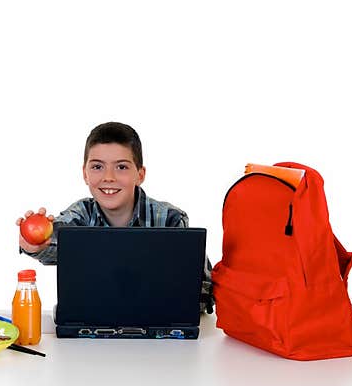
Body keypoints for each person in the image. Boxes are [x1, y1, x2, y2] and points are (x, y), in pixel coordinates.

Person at [17, 121, 213, 313]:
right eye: (97, 167)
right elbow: (58, 243)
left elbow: (202, 288)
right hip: (95, 322)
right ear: (85, 174)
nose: (108, 177)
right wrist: (35, 245)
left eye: (121, 167)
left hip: (155, 322)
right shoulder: (80, 215)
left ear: (140, 175)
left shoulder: (170, 219)